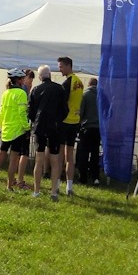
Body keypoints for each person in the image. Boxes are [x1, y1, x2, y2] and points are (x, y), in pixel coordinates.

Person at [0, 68, 31, 190]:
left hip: (6, 130)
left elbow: (1, 112)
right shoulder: (21, 93)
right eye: (22, 78)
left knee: (0, 158)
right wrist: (27, 127)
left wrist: (1, 126)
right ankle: (9, 186)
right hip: (18, 131)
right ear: (18, 80)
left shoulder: (5, 93)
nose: (24, 80)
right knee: (13, 160)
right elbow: (22, 113)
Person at [28, 65, 69, 201]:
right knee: (55, 160)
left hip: (40, 127)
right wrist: (58, 120)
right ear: (50, 75)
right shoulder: (59, 89)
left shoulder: (35, 90)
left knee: (39, 159)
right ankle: (54, 192)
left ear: (40, 77)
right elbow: (65, 110)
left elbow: (31, 111)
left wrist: (35, 121)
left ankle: (36, 191)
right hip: (55, 127)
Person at [57, 57, 83, 195]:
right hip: (75, 122)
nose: (59, 69)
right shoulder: (79, 82)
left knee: (60, 156)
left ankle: (56, 185)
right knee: (70, 156)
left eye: (61, 66)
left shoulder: (67, 83)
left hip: (65, 121)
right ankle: (69, 187)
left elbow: (62, 102)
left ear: (68, 66)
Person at [76, 77, 101, 184]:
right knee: (95, 153)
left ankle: (83, 177)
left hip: (87, 128)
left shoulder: (85, 95)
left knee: (84, 153)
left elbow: (81, 113)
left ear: (89, 84)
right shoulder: (102, 96)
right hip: (98, 129)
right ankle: (95, 177)